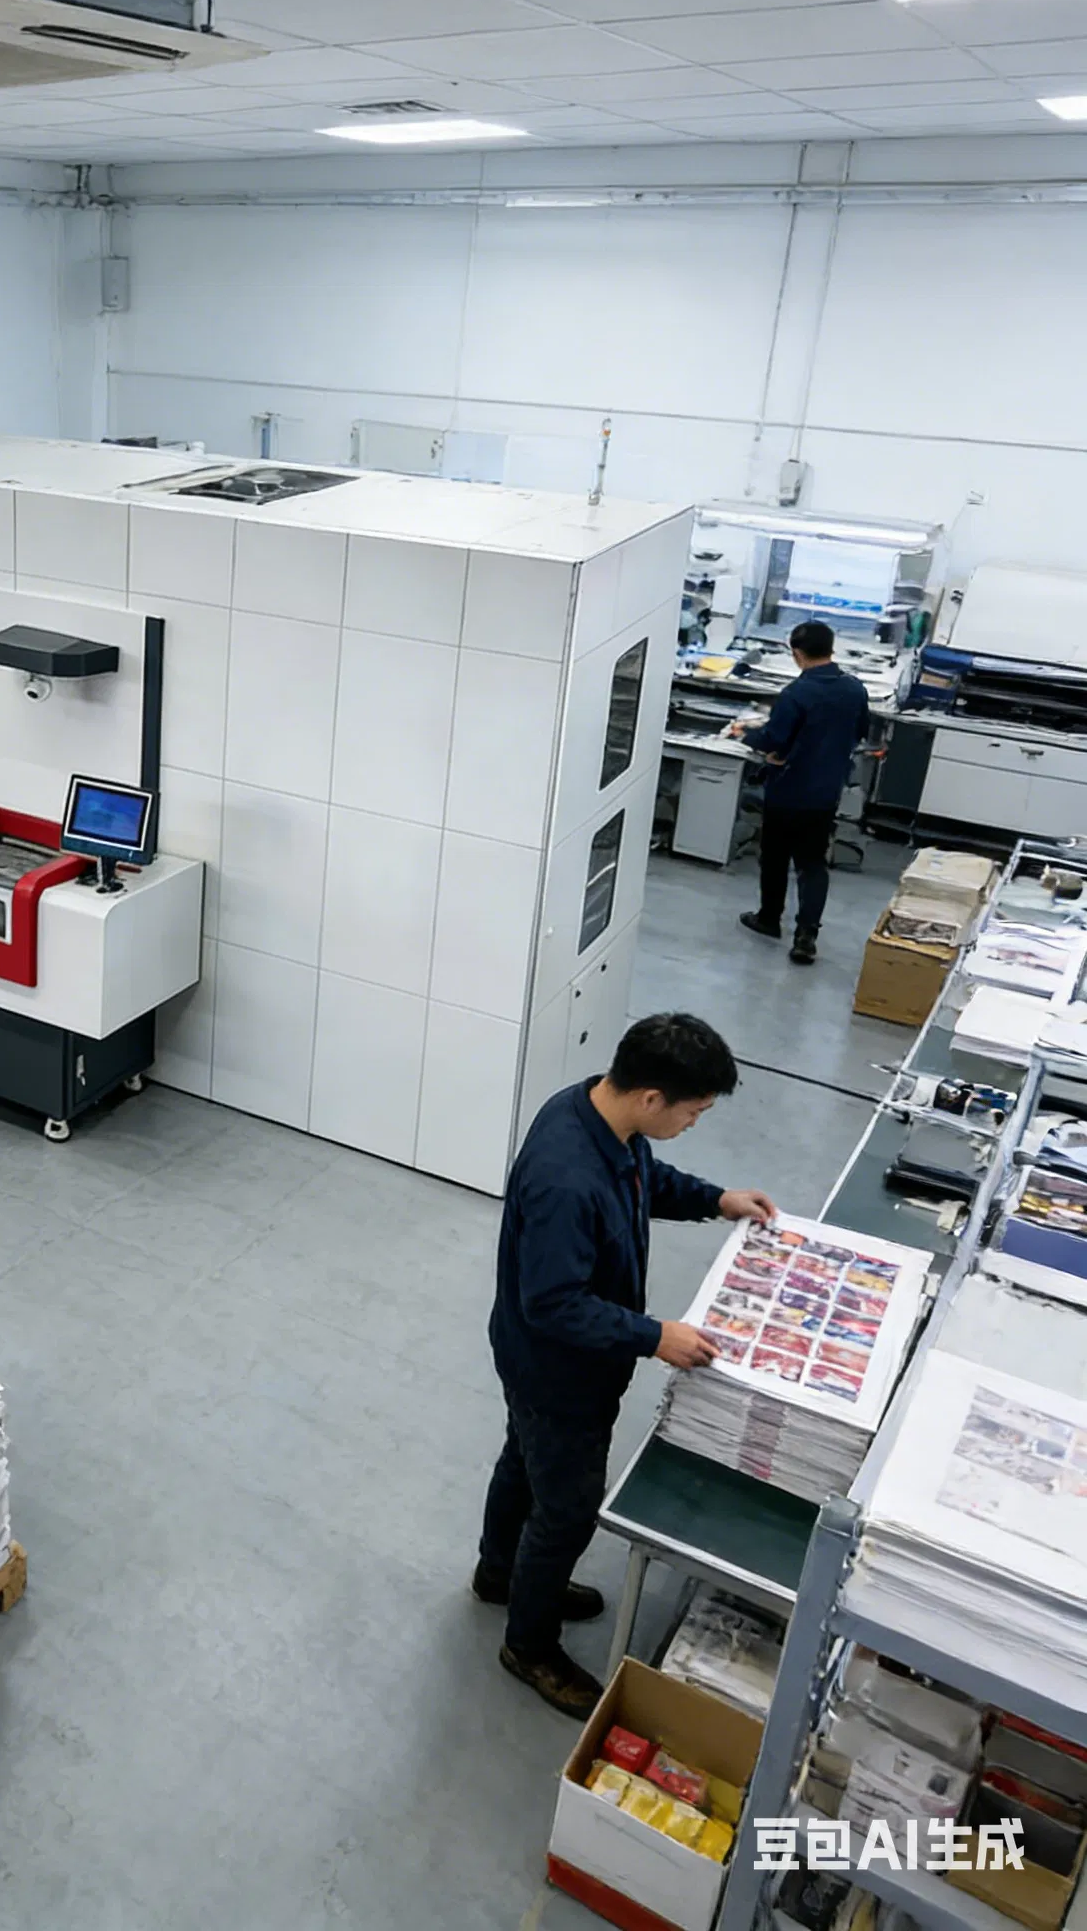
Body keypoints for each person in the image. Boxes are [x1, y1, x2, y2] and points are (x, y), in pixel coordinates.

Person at [476, 1014, 777, 1718]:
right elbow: (553, 1303)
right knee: (567, 1510)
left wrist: (715, 1200)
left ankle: (499, 1575)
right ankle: (528, 1644)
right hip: (558, 1371)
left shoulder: (601, 1115)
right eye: (693, 1112)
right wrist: (654, 1336)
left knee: (524, 1460)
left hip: (543, 1361)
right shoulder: (566, 1178)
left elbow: (646, 1179)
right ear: (651, 1097)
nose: (693, 1124)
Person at [730, 619, 872, 967]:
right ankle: (806, 937)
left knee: (775, 856)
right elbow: (859, 732)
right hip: (825, 792)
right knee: (812, 863)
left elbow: (774, 741)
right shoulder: (854, 689)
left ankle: (769, 918)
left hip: (788, 790)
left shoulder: (796, 693)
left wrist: (745, 734)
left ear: (796, 654)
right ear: (831, 648)